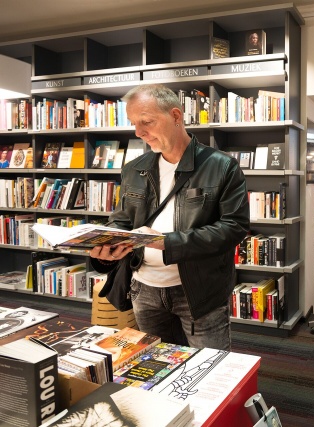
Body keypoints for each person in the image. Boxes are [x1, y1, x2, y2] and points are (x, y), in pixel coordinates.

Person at [89, 83, 250, 351]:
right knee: (157, 367)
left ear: (175, 116)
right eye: (133, 124)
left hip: (198, 290)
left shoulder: (221, 166)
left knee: (208, 368)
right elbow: (122, 220)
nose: (139, 132)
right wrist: (108, 244)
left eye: (146, 122)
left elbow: (234, 228)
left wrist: (168, 242)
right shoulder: (133, 169)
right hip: (143, 288)